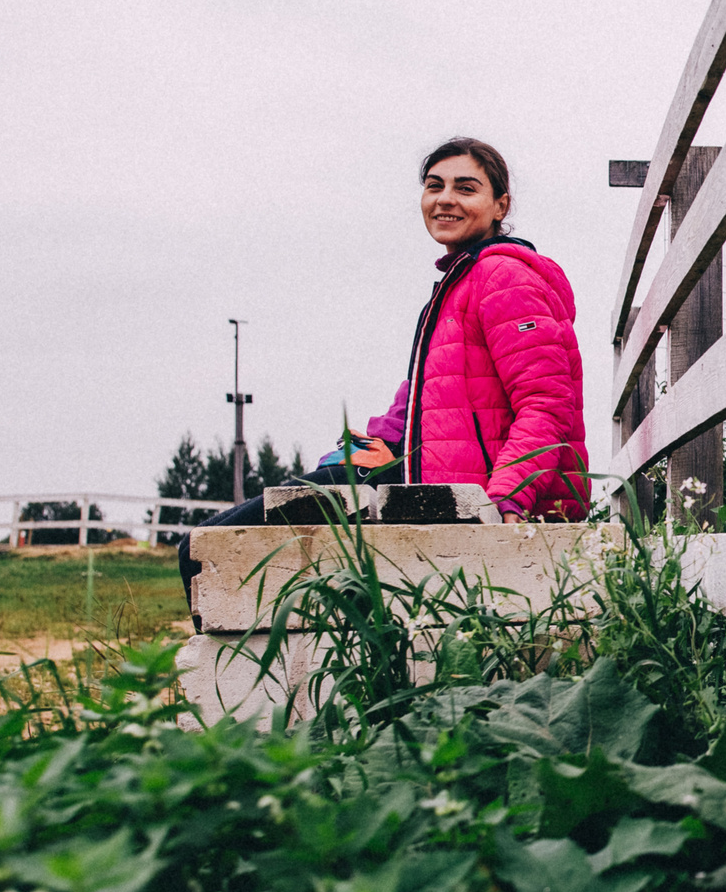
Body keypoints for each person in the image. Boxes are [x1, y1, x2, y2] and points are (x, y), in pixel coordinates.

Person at [178, 137, 591, 615]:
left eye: (466, 188)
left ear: (500, 205)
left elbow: (546, 403)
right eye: (434, 186)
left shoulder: (504, 278)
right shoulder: (461, 282)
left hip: (477, 504)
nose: (445, 199)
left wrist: (501, 505)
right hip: (431, 487)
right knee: (219, 540)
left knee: (200, 550)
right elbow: (423, 396)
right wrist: (384, 442)